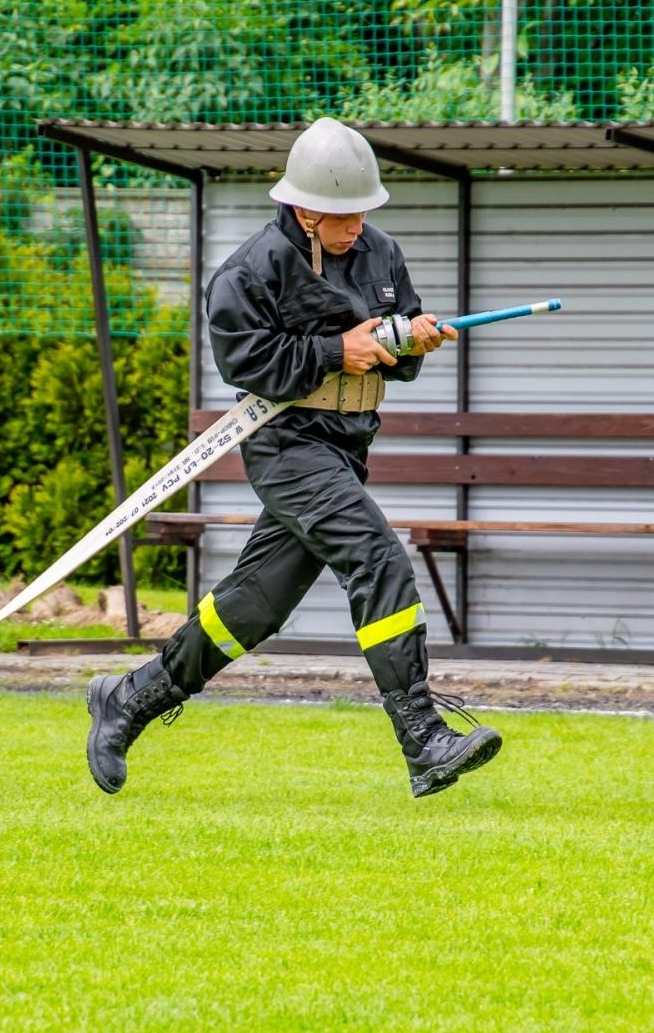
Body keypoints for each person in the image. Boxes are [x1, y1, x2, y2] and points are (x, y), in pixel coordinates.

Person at [86, 117, 502, 798]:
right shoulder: (247, 274)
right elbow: (248, 363)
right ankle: (424, 739)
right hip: (286, 448)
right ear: (304, 209)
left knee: (252, 606)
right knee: (377, 557)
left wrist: (410, 343)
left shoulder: (382, 253)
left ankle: (127, 701)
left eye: (363, 211)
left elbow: (394, 361)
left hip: (347, 446)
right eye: (343, 216)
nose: (357, 226)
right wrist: (341, 350)